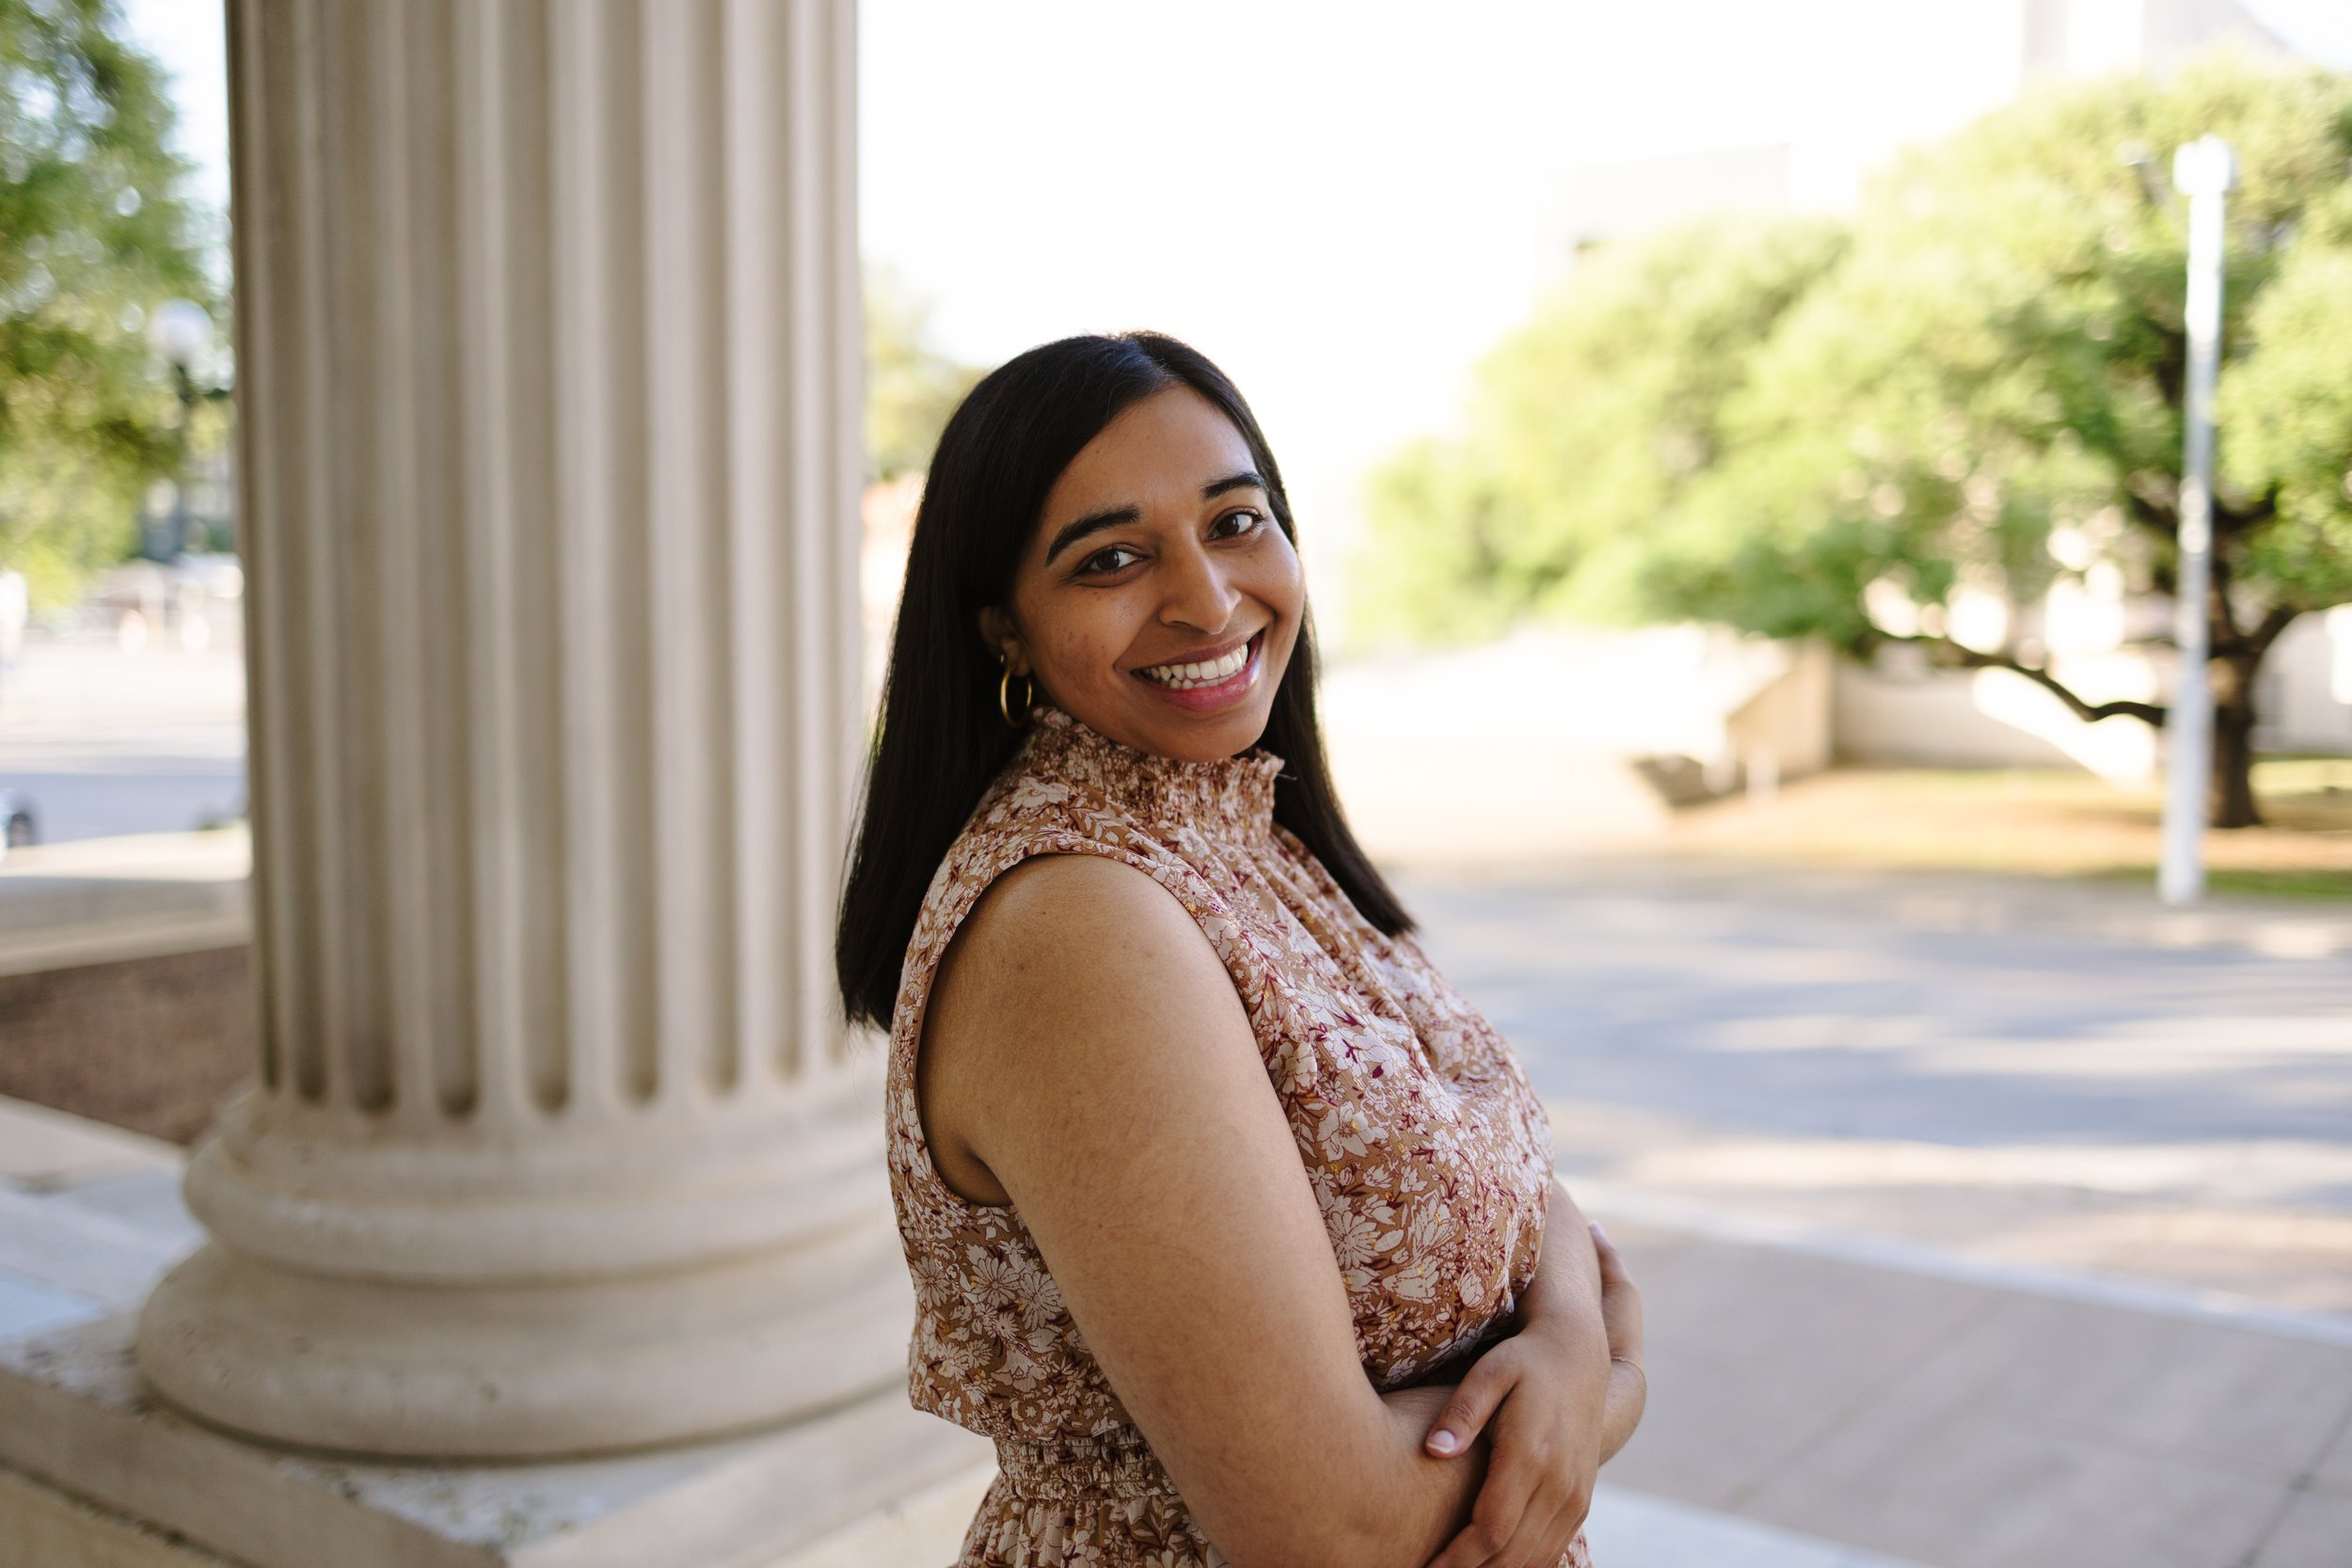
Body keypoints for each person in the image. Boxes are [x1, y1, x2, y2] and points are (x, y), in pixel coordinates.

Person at [835, 332, 1646, 1568]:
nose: (1208, 599)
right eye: (1110, 557)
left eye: (1235, 521)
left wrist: (1573, 1343)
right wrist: (1601, 1410)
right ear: (1004, 627)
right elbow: (1338, 1533)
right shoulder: (1077, 920)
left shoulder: (1238, 829)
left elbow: (1512, 1178)